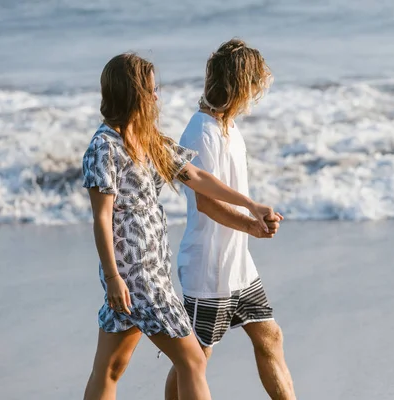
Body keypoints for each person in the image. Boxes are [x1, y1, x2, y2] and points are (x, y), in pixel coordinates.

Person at [82, 52, 275, 400]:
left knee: (110, 368)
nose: (157, 96)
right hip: (134, 277)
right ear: (133, 92)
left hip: (153, 272)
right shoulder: (104, 147)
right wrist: (113, 279)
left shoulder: (148, 138)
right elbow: (101, 217)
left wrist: (250, 204)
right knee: (193, 361)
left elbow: (196, 176)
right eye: (152, 90)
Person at [165, 39, 296, 400]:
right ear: (239, 85)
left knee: (270, 336)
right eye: (254, 85)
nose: (256, 93)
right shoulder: (201, 131)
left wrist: (250, 224)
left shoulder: (228, 126)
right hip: (209, 268)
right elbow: (206, 204)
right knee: (194, 360)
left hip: (240, 265)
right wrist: (252, 223)